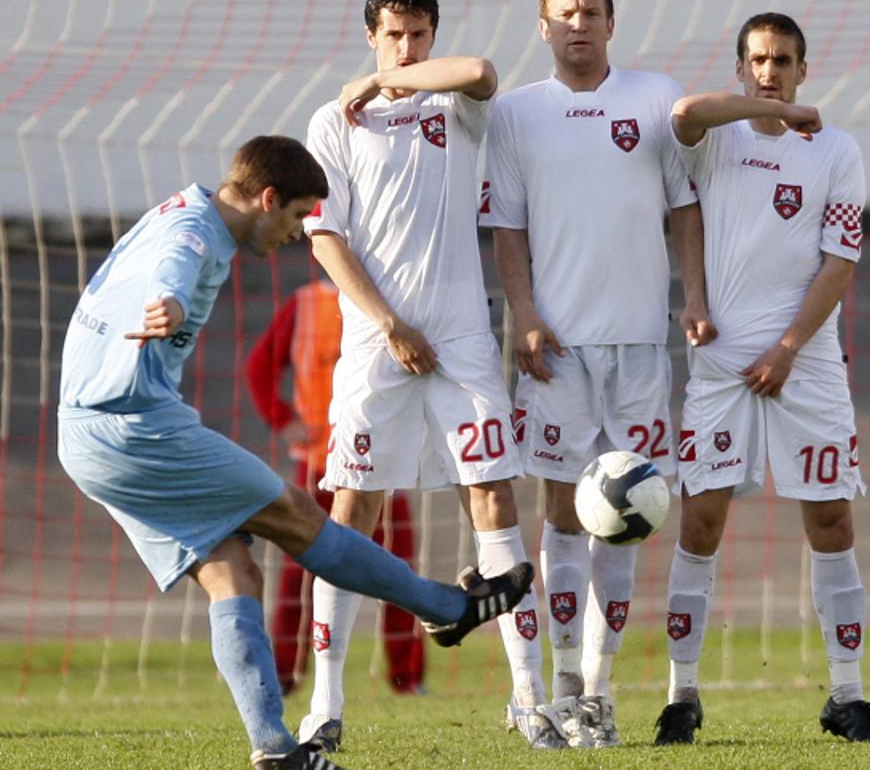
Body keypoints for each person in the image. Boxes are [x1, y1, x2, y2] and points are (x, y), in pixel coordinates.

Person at [55, 135, 533, 770]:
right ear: (268, 198)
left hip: (82, 436)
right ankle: (448, 609)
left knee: (232, 571)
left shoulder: (178, 208)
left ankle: (276, 751)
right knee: (300, 517)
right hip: (133, 426)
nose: (299, 232)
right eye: (296, 215)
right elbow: (174, 264)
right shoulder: (194, 234)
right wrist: (169, 302)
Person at [298, 0, 545, 753]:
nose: (407, 45)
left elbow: (483, 72)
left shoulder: (451, 105)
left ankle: (530, 697)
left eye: (417, 34)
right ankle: (326, 705)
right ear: (369, 30)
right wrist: (388, 322)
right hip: (377, 343)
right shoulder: (333, 122)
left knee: (494, 500)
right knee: (352, 513)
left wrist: (385, 78)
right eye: (392, 35)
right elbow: (325, 236)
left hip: (464, 338)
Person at [483, 0, 713, 748]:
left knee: (629, 518)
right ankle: (561, 683)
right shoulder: (515, 115)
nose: (578, 23)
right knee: (561, 513)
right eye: (564, 13)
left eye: (591, 11)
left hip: (643, 342)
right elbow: (506, 228)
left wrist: (695, 297)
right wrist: (524, 313)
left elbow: (686, 208)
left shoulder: (655, 97)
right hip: (557, 346)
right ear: (542, 26)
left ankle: (601, 691)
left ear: (612, 23)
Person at [652, 13, 870, 746]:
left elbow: (838, 262)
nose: (769, 70)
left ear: (804, 67)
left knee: (832, 520)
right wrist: (772, 110)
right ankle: (681, 692)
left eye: (782, 61)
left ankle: (847, 691)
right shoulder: (719, 134)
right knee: (700, 521)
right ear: (743, 64)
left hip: (807, 361)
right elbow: (685, 111)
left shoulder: (839, 151)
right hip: (720, 360)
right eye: (757, 60)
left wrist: (787, 346)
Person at [245, 278, 425, 697]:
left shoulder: (391, 301)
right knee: (301, 575)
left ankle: (407, 678)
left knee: (398, 566)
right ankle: (285, 676)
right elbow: (259, 366)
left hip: (379, 460)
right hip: (319, 463)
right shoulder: (307, 303)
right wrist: (281, 418)